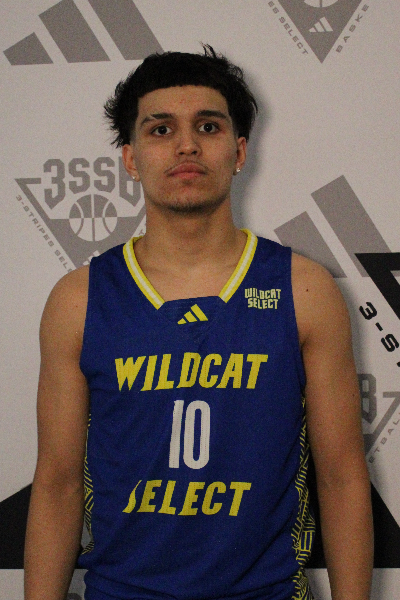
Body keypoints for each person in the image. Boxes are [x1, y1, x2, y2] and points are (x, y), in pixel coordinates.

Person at [24, 46, 373, 600]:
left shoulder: (304, 290)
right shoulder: (80, 299)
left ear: (239, 151)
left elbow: (342, 476)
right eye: (160, 129)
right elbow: (57, 484)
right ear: (131, 158)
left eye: (208, 127)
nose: (186, 145)